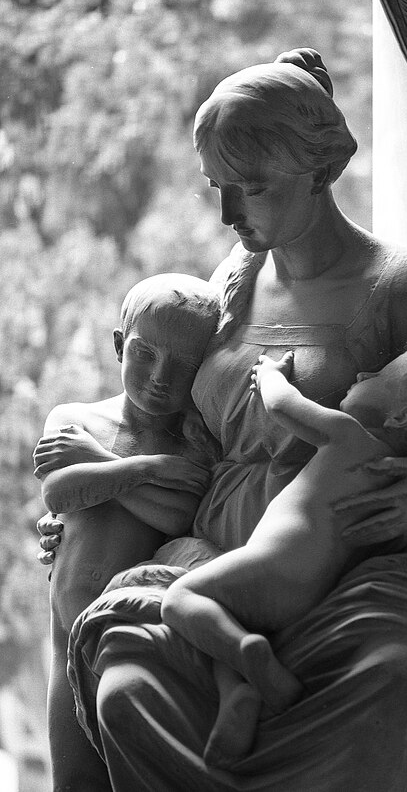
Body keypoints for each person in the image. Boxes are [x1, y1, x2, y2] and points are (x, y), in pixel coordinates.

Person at [42, 49, 407, 791]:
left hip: (362, 566)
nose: (229, 213)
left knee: (396, 686)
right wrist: (101, 496)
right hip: (217, 553)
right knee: (130, 687)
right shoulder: (234, 281)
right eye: (218, 188)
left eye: (250, 189)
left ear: (321, 172)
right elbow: (181, 430)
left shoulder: (405, 288)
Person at [161, 342, 407, 766]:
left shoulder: (351, 438)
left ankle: (249, 654)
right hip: (314, 595)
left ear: (401, 417)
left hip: (272, 566)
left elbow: (283, 405)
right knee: (223, 628)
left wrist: (269, 373)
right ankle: (240, 696)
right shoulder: (396, 489)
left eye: (377, 377)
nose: (360, 377)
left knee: (181, 601)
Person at [33, 273, 220, 791]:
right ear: (119, 345)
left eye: (183, 365)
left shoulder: (195, 447)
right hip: (65, 635)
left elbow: (177, 516)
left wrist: (104, 469)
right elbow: (59, 494)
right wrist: (145, 470)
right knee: (73, 781)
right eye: (144, 353)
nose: (160, 376)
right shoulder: (75, 418)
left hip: (134, 642)